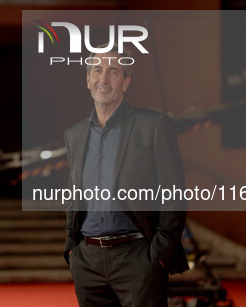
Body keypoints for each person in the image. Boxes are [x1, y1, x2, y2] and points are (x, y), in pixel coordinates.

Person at [64, 45, 189, 307]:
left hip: (138, 257)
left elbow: (174, 192)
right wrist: (72, 247)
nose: (103, 78)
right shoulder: (74, 135)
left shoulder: (153, 126)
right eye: (97, 70)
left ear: (126, 81)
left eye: (113, 71)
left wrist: (159, 256)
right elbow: (75, 194)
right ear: (87, 80)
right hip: (88, 261)